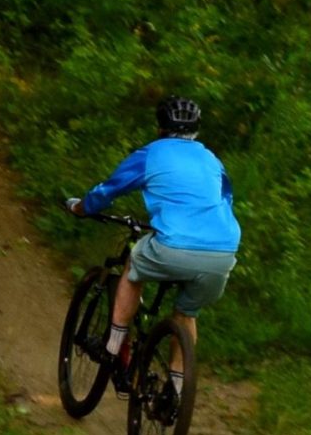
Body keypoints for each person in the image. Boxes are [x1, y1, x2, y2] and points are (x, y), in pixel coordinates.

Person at [67, 97, 239, 357]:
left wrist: (82, 208)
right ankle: (179, 391)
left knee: (133, 265)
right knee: (186, 315)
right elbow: (225, 199)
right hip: (223, 253)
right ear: (197, 129)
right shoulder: (212, 160)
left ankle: (111, 347)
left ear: (160, 128)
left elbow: (110, 189)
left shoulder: (151, 154)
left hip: (174, 247)